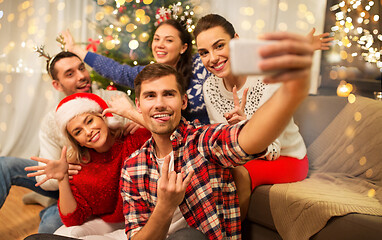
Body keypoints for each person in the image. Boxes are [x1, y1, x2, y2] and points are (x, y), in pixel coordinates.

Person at [104, 27, 314, 238]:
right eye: (150, 96)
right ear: (138, 105)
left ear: (183, 101)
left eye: (168, 94)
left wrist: (289, 89)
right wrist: (165, 207)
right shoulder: (133, 168)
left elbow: (246, 138)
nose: (159, 104)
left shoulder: (203, 143)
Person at [0, 51, 139, 233]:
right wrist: (64, 173)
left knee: (49, 226)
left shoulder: (116, 100)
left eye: (81, 68)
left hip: (110, 189)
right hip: (70, 187)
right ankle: (47, 201)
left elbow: (142, 143)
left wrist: (137, 117)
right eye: (70, 74)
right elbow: (45, 178)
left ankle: (47, 206)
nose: (81, 76)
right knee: (5, 165)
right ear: (57, 85)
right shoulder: (51, 121)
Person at [192, 13, 315, 220]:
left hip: (287, 158)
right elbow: (219, 139)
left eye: (219, 46)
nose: (212, 58)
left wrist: (247, 127)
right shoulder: (210, 87)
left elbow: (272, 148)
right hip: (240, 157)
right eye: (204, 52)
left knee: (236, 174)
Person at [25, 92, 151, 239]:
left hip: (147, 218)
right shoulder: (80, 167)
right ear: (77, 141)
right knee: (63, 233)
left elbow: (171, 134)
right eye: (78, 132)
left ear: (103, 116)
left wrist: (139, 118)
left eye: (89, 121)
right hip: (114, 223)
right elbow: (73, 219)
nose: (88, 132)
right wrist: (62, 179)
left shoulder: (135, 137)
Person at [62, 18, 212, 125]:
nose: (159, 45)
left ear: (183, 47)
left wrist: (131, 114)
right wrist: (75, 49)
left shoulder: (201, 63)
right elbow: (115, 70)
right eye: (156, 39)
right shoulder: (149, 75)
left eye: (169, 40)